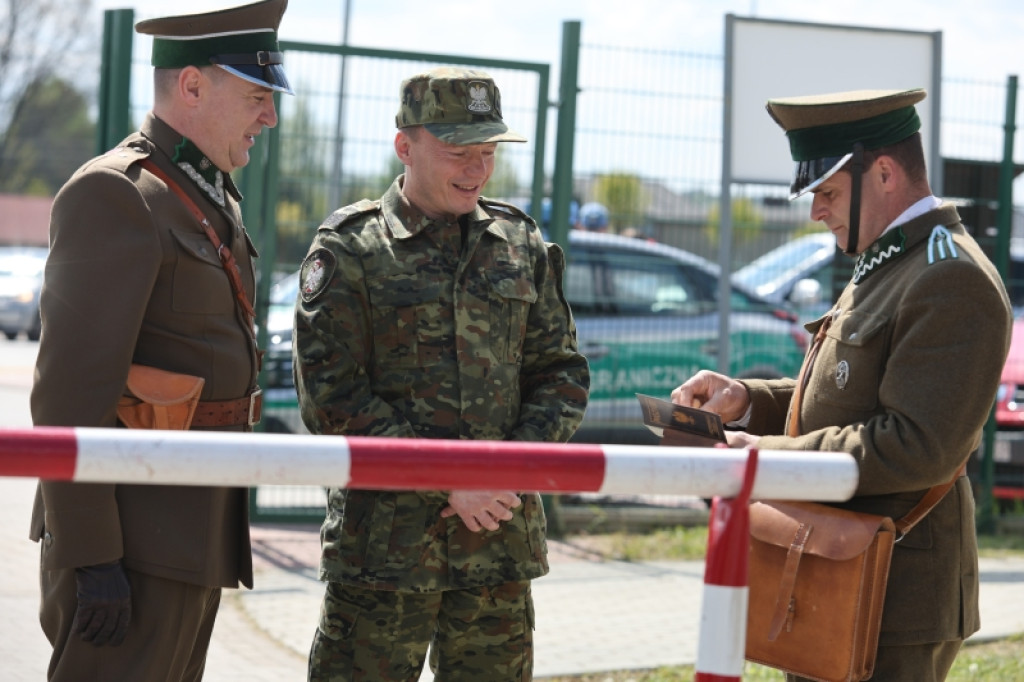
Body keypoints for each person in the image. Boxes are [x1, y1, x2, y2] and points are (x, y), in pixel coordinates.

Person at [670, 88, 1012, 681]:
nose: (815, 212)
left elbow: (914, 446)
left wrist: (757, 458)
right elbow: (844, 395)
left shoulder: (949, 276)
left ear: (883, 173)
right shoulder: (892, 259)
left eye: (825, 192)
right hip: (841, 567)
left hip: (896, 595)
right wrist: (748, 401)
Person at [293, 66, 590, 681]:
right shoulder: (351, 249)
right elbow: (332, 398)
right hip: (384, 554)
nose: (477, 170)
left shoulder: (520, 243)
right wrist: (450, 478)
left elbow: (560, 374)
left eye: (487, 153)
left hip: (497, 549)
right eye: (458, 152)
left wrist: (504, 470)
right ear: (406, 146)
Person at [28, 1, 292, 680]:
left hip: (188, 532)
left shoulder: (207, 195)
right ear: (194, 86)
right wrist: (92, 554)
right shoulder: (118, 195)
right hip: (130, 546)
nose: (270, 116)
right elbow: (66, 396)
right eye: (258, 96)